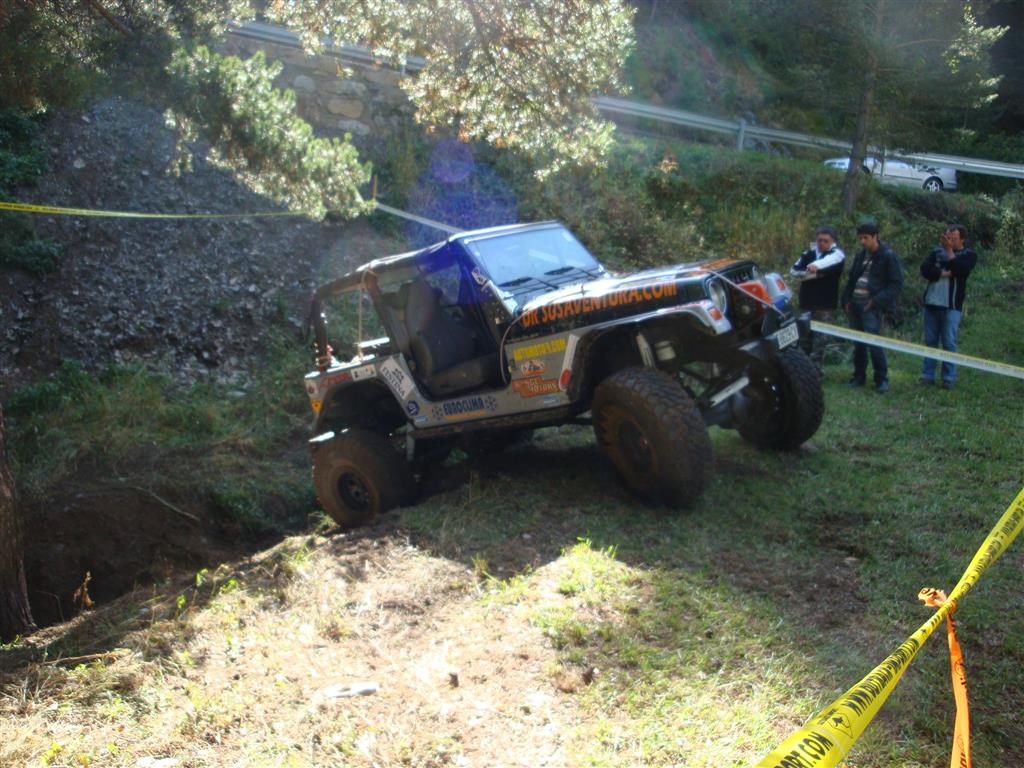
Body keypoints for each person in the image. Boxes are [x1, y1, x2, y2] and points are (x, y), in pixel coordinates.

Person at [840, 222, 904, 393]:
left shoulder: (888, 255)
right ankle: (858, 376)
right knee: (858, 343)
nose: (862, 241)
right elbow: (852, 279)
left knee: (874, 343)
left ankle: (881, 379)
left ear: (875, 236)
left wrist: (876, 301)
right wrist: (846, 299)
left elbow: (896, 284)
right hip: (855, 304)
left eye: (866, 238)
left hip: (871, 306)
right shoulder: (860, 255)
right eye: (860, 238)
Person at [919, 224, 977, 389]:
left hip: (951, 306)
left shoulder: (969, 254)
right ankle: (927, 375)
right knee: (930, 341)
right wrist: (943, 274)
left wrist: (950, 251)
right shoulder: (936, 252)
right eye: (947, 237)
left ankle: (948, 377)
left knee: (949, 342)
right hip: (931, 303)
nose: (950, 241)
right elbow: (925, 270)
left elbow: (961, 271)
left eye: (954, 238)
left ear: (962, 239)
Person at [791, 226, 846, 364]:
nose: (822, 243)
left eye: (825, 241)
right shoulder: (808, 253)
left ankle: (815, 369)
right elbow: (794, 271)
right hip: (806, 304)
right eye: (819, 240)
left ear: (832, 242)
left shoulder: (836, 254)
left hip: (825, 306)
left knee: (821, 341)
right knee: (803, 339)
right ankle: (802, 367)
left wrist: (814, 268)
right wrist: (813, 274)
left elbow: (829, 263)